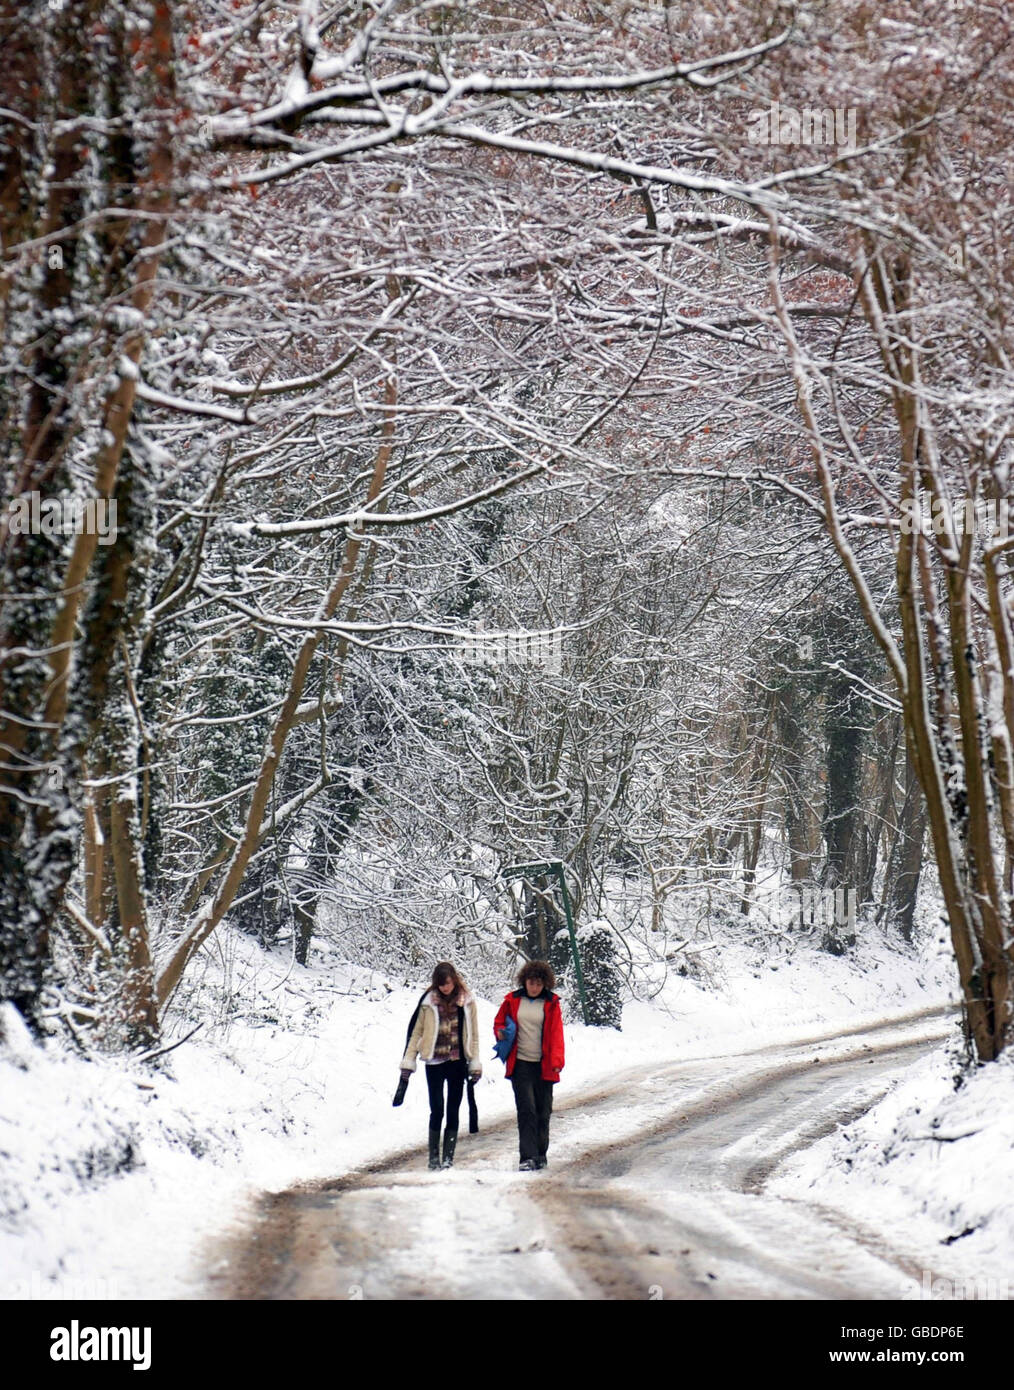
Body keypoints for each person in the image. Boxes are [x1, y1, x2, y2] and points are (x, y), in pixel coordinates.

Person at [400, 961, 481, 1169]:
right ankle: (433, 1156)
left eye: (448, 983)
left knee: (453, 1108)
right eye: (441, 984)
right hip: (434, 1061)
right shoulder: (428, 1003)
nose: (445, 987)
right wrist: (409, 1060)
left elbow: (473, 1035)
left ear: (454, 980)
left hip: (457, 1061)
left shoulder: (467, 1002)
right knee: (436, 1108)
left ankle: (448, 1158)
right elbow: (417, 1032)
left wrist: (474, 1062)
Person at [494, 960, 565, 1171]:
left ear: (545, 984)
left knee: (543, 1111)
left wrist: (557, 1061)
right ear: (524, 982)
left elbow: (556, 1034)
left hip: (544, 1065)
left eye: (538, 984)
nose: (534, 987)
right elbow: (499, 1021)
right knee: (526, 1110)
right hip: (521, 1063)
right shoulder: (512, 1000)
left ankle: (540, 1153)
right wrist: (500, 1032)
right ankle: (527, 1156)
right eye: (530, 983)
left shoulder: (551, 1003)